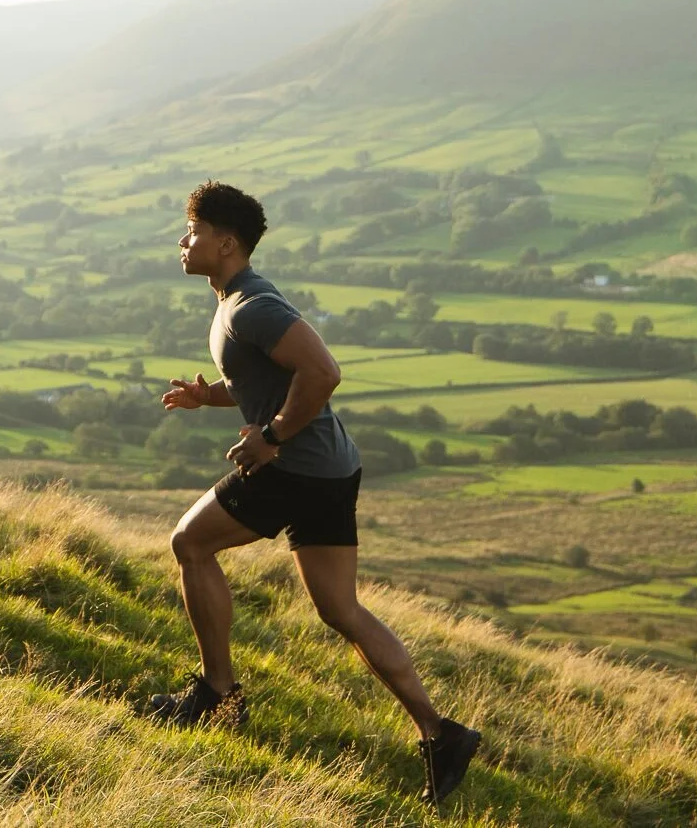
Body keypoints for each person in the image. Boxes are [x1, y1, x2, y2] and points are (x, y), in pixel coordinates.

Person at [144, 180, 479, 808]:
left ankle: (218, 696)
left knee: (189, 543)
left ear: (226, 242)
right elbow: (265, 378)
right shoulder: (236, 303)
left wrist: (270, 437)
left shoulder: (252, 306)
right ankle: (442, 733)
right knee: (340, 609)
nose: (182, 242)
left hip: (296, 466)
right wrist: (210, 397)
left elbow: (323, 372)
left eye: (192, 231)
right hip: (328, 466)